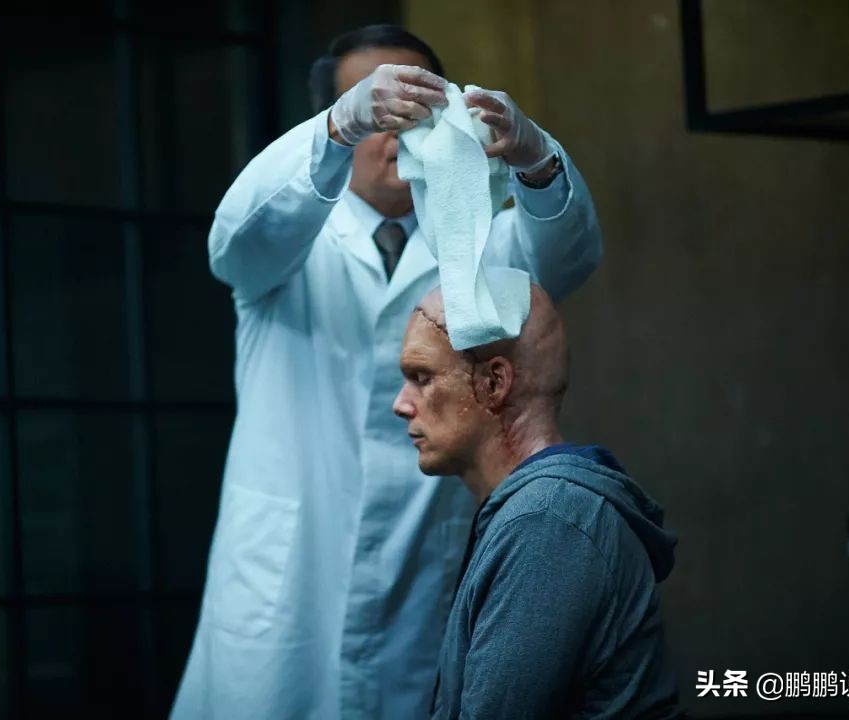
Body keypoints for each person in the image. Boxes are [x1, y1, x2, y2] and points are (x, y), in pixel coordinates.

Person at [171, 24, 604, 719]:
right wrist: (337, 128)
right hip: (290, 580)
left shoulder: (479, 238)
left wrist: (537, 160)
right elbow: (236, 242)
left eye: (421, 102)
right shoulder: (291, 240)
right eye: (379, 108)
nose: (400, 128)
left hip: (421, 563)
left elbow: (568, 258)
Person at [392, 284, 681, 719]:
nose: (400, 404)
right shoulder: (538, 512)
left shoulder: (549, 522)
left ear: (493, 383)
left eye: (422, 378)